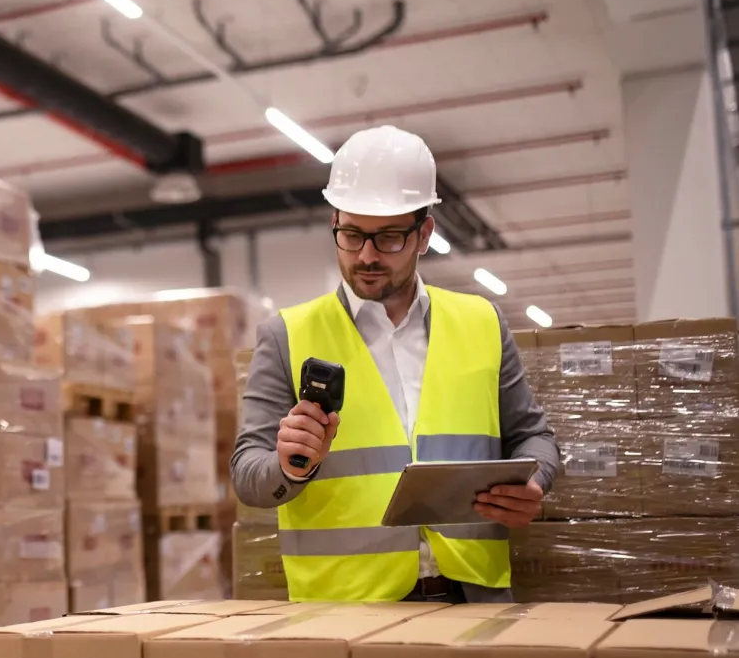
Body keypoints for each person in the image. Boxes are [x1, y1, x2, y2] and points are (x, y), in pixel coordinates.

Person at [231, 125, 558, 603]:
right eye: (351, 235)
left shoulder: (482, 322)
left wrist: (535, 483)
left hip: (472, 597)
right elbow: (247, 474)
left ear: (424, 233)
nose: (366, 255)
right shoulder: (287, 335)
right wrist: (290, 467)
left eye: (388, 238)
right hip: (346, 611)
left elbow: (535, 437)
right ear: (334, 224)